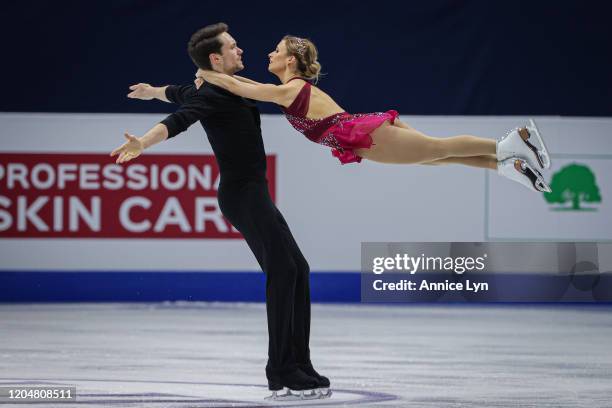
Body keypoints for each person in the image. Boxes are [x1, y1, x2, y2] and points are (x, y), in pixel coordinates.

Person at [110, 23, 331, 401]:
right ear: (216, 58)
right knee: (283, 269)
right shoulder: (211, 93)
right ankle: (282, 371)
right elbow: (179, 119)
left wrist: (152, 91)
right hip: (241, 194)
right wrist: (144, 142)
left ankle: (300, 362)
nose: (241, 50)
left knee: (298, 268)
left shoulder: (219, 86)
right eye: (233, 46)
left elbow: (177, 93)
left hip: (253, 192)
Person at [197, 36, 552, 193]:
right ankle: (509, 166)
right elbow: (245, 84)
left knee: (439, 149)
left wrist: (208, 72)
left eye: (276, 51)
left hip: (365, 134)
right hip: (366, 132)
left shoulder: (290, 89)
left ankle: (514, 143)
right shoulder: (290, 88)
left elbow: (247, 89)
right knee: (439, 157)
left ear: (290, 60)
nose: (269, 54)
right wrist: (213, 75)